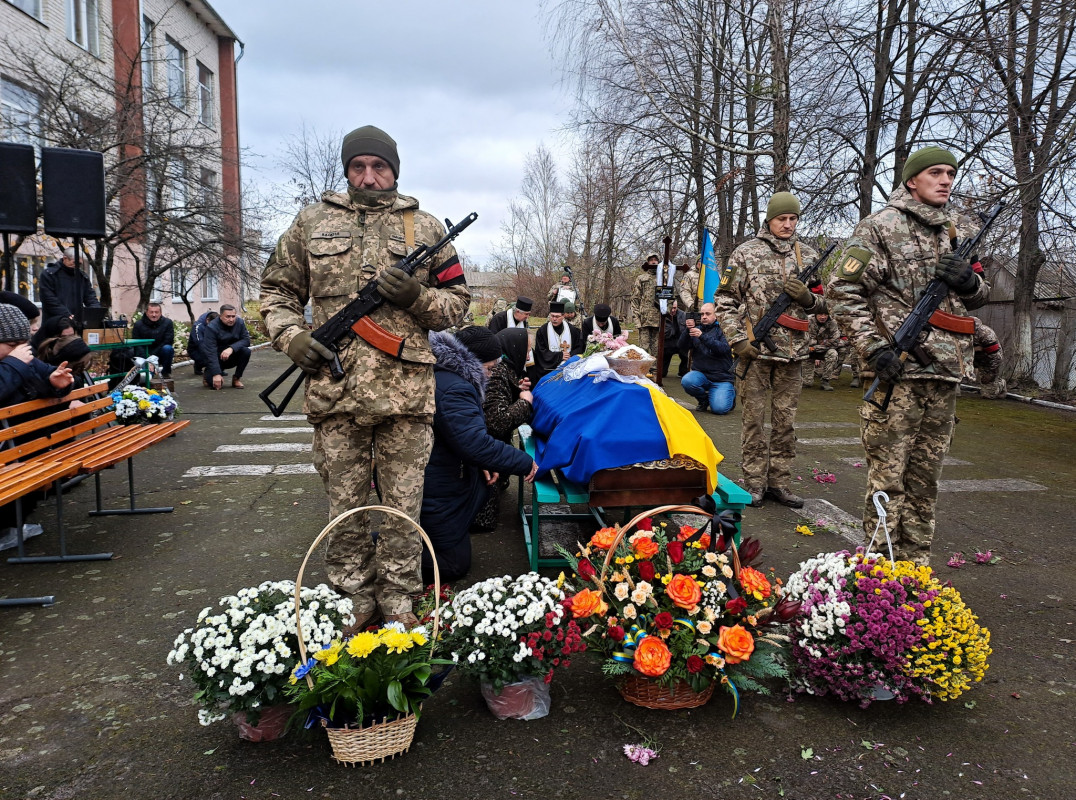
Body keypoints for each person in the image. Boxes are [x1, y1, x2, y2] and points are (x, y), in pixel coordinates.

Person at [260, 124, 471, 629]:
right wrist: (293, 338)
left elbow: (460, 305)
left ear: (395, 171)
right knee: (345, 511)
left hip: (407, 398)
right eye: (359, 166)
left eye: (380, 167)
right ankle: (349, 604)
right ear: (347, 168)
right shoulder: (311, 222)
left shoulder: (428, 227)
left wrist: (415, 299)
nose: (369, 176)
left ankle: (401, 603)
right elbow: (276, 292)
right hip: (336, 395)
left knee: (404, 511)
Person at [827, 146, 990, 565]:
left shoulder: (957, 231)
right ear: (912, 180)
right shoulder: (880, 227)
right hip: (899, 374)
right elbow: (843, 291)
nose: (946, 180)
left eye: (951, 173)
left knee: (926, 482)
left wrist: (969, 283)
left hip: (944, 374)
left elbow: (978, 298)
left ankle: (916, 571)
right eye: (935, 172)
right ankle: (879, 575)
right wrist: (873, 348)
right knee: (888, 480)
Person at [715, 191, 825, 508]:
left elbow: (824, 302)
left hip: (794, 354)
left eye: (793, 219)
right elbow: (725, 301)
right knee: (753, 421)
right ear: (769, 219)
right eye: (782, 219)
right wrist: (738, 340)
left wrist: (808, 299)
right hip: (756, 352)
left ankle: (779, 483)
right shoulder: (745, 253)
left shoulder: (808, 255)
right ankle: (753, 484)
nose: (788, 224)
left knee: (785, 424)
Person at [420, 328, 536, 582]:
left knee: (455, 551)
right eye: (491, 368)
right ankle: (380, 552)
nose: (492, 374)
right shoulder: (455, 389)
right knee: (452, 565)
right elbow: (475, 442)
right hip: (436, 484)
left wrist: (480, 461)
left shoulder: (448, 377)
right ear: (471, 360)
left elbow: (458, 435)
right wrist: (524, 462)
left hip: (441, 476)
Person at [679, 302, 736, 414]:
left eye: (708, 314)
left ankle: (730, 394)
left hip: (721, 378)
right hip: (701, 375)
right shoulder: (697, 329)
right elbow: (681, 347)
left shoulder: (724, 329)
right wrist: (687, 330)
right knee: (687, 381)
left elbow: (723, 349)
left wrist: (702, 336)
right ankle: (704, 400)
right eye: (702, 314)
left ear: (716, 316)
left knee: (719, 409)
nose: (704, 317)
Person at [38, 247, 101, 325]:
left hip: (76, 323)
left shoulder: (82, 277)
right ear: (65, 259)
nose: (77, 266)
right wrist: (67, 315)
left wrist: (95, 313)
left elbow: (90, 298)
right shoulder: (49, 274)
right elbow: (48, 299)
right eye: (75, 262)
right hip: (54, 323)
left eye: (80, 264)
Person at [202, 304, 251, 390]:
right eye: (228, 317)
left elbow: (246, 340)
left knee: (246, 351)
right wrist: (216, 373)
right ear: (220, 316)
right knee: (215, 385)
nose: (231, 319)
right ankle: (208, 374)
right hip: (217, 358)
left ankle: (237, 378)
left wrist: (231, 348)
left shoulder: (239, 323)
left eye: (233, 316)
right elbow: (210, 351)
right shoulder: (212, 327)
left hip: (232, 355)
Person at [531, 301, 582, 381]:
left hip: (568, 367)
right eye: (552, 316)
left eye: (557, 316)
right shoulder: (543, 331)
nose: (554, 319)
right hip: (548, 370)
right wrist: (559, 356)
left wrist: (569, 355)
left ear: (563, 316)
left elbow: (579, 347)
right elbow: (540, 352)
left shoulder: (573, 331)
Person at [131, 302, 176, 379]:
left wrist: (152, 358)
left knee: (168, 348)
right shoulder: (138, 325)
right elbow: (137, 344)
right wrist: (147, 360)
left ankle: (166, 373)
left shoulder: (167, 323)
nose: (154, 315)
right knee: (148, 377)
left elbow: (168, 341)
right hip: (144, 354)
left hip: (160, 352)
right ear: (146, 313)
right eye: (151, 312)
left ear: (160, 313)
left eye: (156, 312)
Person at [630, 252, 662, 357]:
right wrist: (636, 319)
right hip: (644, 319)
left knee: (656, 348)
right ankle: (643, 369)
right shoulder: (641, 278)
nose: (653, 262)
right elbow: (635, 299)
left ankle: (654, 369)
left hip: (658, 320)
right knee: (643, 347)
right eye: (651, 260)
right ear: (647, 262)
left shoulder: (664, 279)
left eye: (655, 260)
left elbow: (670, 297)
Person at [802, 311, 841, 391]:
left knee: (833, 353)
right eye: (820, 314)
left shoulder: (833, 323)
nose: (823, 317)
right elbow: (803, 340)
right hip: (808, 353)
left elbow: (835, 342)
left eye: (825, 314)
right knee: (807, 384)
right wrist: (824, 343)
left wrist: (814, 347)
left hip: (822, 351)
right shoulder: (807, 321)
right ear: (816, 314)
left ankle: (825, 380)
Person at [971, 317, 1006, 399]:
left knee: (988, 395)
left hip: (988, 360)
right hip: (971, 358)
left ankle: (1001, 384)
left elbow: (996, 357)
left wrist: (990, 374)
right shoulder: (960, 333)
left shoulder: (986, 334)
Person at [660, 300, 690, 378]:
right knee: (662, 373)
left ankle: (682, 372)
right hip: (668, 341)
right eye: (672, 308)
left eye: (675, 308)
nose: (673, 310)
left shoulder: (683, 315)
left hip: (680, 341)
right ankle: (662, 371)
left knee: (685, 356)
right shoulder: (663, 315)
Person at [188, 310, 219, 376]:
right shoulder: (198, 326)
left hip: (209, 346)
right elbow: (199, 343)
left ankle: (219, 369)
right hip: (196, 349)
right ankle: (198, 366)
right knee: (208, 359)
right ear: (207, 320)